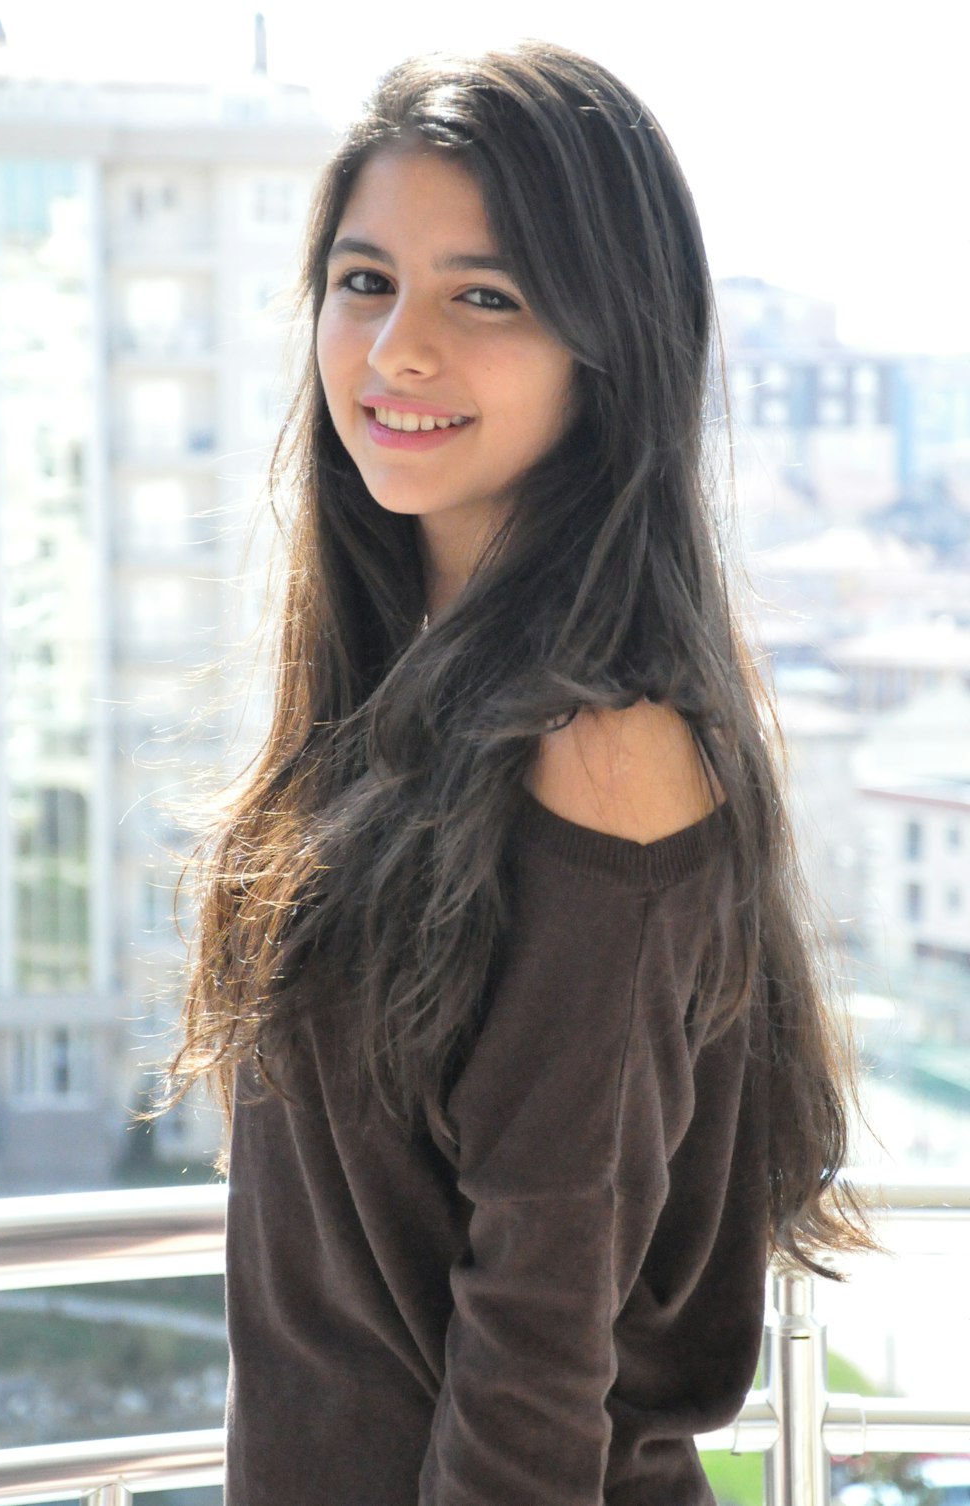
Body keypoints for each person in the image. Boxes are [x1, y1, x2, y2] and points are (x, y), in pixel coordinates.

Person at [168, 40, 874, 1506]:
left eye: (482, 296)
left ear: (607, 347)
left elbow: (535, 1355)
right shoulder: (384, 723)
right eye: (364, 283)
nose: (394, 349)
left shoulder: (608, 754)